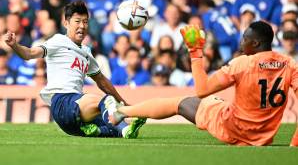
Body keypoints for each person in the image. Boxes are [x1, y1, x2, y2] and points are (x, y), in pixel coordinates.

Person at [107, 21, 298, 146]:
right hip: (263, 137)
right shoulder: (290, 64)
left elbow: (201, 90)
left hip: (232, 128)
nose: (240, 44)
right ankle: (123, 112)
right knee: (212, 101)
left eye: (245, 39)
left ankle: (121, 112)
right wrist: (294, 143)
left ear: (255, 44)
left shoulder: (242, 64)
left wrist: (195, 51)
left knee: (180, 103)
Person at [1, 0, 145, 138]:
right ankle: (115, 121)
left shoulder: (87, 53)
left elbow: (102, 81)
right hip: (63, 102)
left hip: (75, 115)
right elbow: (29, 54)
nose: (82, 26)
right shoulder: (58, 41)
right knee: (107, 103)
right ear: (66, 23)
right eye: (77, 21)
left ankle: (117, 131)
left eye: (85, 22)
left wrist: (122, 102)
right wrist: (15, 45)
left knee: (116, 128)